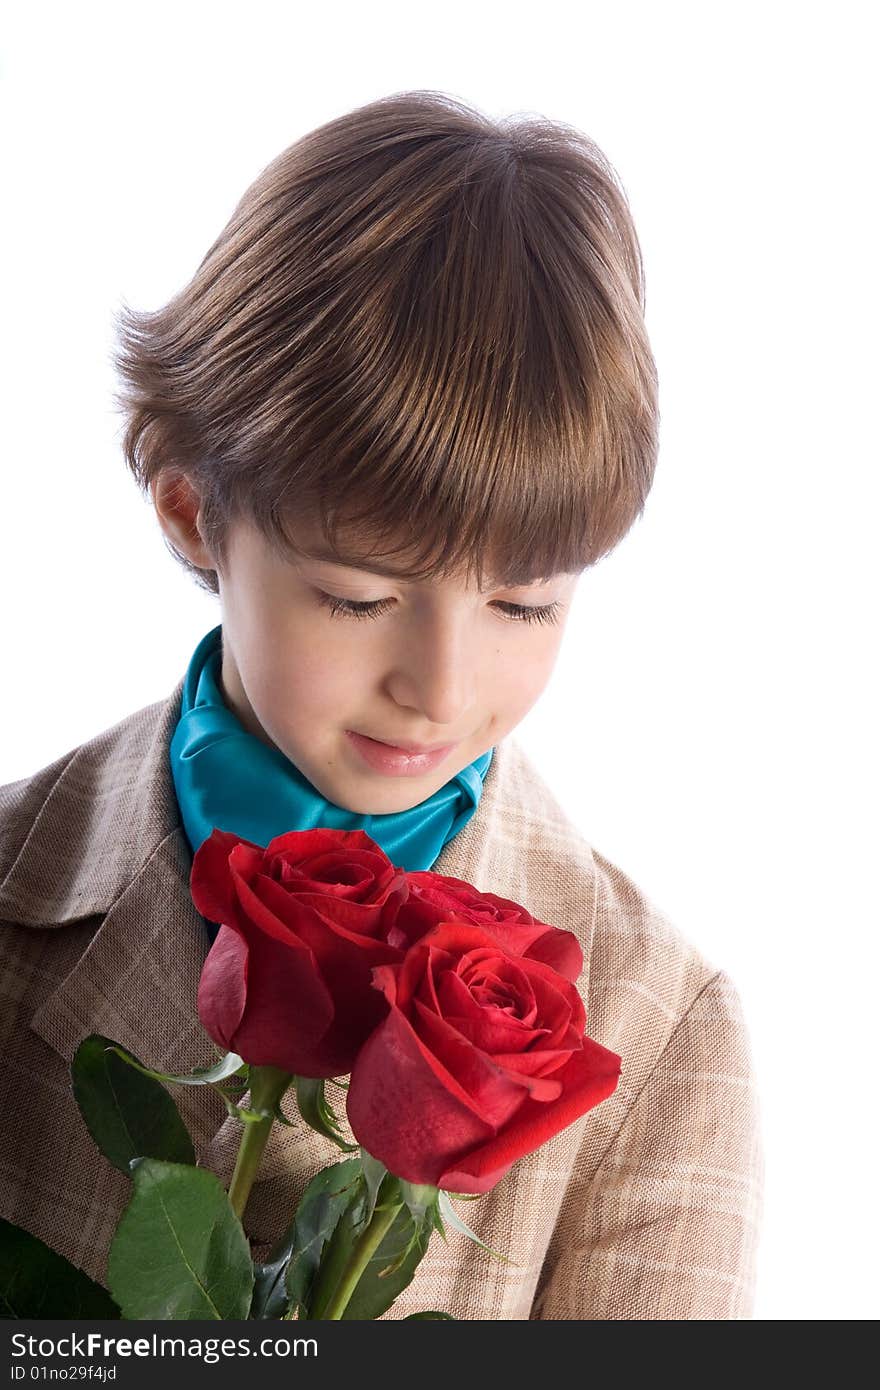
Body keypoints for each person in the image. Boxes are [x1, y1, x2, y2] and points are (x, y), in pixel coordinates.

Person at [0, 89, 764, 1319]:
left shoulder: (658, 1033)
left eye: (524, 605)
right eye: (356, 597)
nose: (442, 691)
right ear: (194, 510)